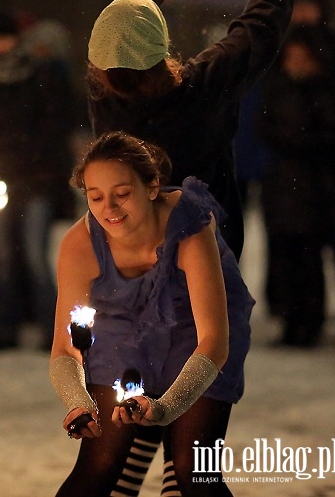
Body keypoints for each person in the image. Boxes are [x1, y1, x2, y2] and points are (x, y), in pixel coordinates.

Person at [86, 0, 296, 262]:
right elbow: (266, 17)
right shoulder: (203, 88)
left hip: (129, 262)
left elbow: (126, 19)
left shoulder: (105, 94)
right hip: (209, 256)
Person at [50, 131, 254, 496]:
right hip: (122, 333)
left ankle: (166, 450)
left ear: (152, 186)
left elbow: (214, 341)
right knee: (97, 466)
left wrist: (165, 408)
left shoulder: (188, 227)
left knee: (196, 471)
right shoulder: (80, 244)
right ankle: (142, 444)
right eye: (95, 197)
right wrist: (80, 403)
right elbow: (66, 349)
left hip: (194, 333)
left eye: (122, 194)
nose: (108, 209)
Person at [0, 9, 76, 349]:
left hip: (35, 179)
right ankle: (5, 329)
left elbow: (53, 126)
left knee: (33, 256)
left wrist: (44, 169)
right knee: (3, 258)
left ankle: (51, 330)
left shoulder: (37, 73)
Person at [256, 25, 335, 345]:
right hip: (283, 186)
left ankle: (309, 322)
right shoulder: (278, 90)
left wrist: (300, 142)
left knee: (309, 258)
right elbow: (264, 127)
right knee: (286, 256)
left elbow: (332, 135)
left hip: (313, 187)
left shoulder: (324, 92)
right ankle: (291, 320)